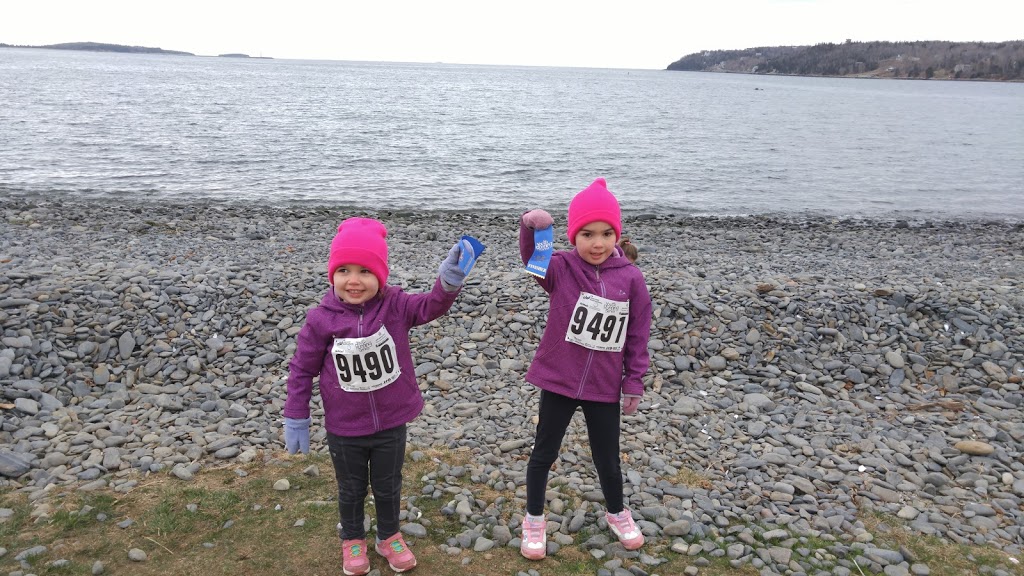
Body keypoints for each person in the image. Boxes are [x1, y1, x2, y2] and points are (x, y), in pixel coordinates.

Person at [282, 217, 477, 575]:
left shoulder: (396, 305)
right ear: (332, 274)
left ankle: (388, 536)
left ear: (381, 276)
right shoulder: (321, 320)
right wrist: (296, 414)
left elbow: (430, 306)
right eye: (343, 271)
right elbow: (301, 369)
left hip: (390, 422)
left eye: (365, 271)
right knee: (351, 487)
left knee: (388, 485)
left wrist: (448, 282)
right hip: (344, 427)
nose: (354, 280)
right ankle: (352, 538)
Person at [516, 178, 653, 560]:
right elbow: (532, 260)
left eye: (606, 234)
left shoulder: (631, 278)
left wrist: (634, 382)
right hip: (559, 380)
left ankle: (617, 512)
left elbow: (638, 334)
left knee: (607, 457)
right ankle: (534, 518)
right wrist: (531, 227)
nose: (597, 243)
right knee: (543, 453)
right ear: (573, 235)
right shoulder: (560, 267)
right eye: (587, 234)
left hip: (604, 386)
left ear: (617, 235)